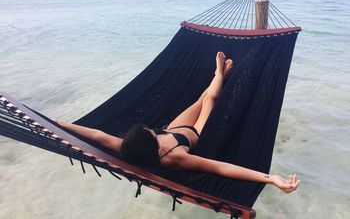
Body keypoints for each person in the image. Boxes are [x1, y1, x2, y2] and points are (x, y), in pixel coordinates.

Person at [55, 52, 300, 194]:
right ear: (153, 144)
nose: (151, 129)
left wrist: (58, 124)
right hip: (193, 133)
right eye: (151, 133)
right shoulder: (175, 158)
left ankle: (219, 76)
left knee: (200, 96)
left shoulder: (127, 147)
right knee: (210, 99)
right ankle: (219, 75)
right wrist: (271, 178)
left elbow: (97, 135)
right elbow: (220, 167)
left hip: (173, 129)